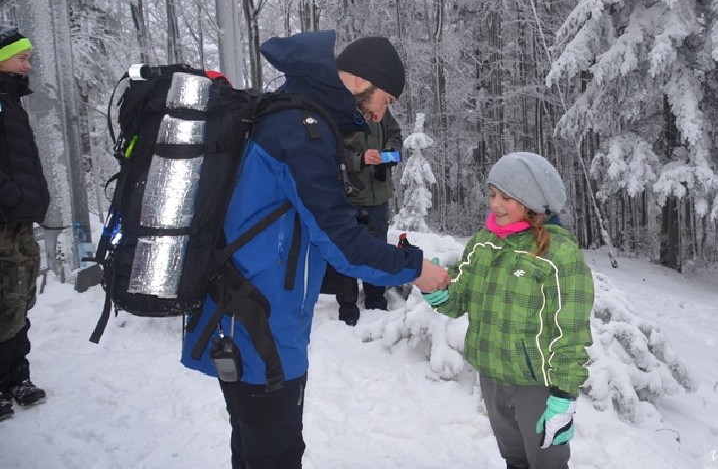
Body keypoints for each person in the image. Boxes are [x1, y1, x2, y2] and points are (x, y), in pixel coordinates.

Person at [180, 31, 449, 467]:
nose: (382, 112)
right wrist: (416, 268)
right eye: (385, 98)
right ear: (360, 79)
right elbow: (345, 246)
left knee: (254, 450)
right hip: (260, 323)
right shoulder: (301, 132)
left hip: (245, 312)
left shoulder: (291, 114)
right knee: (276, 454)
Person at [422, 152, 594, 469]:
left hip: (537, 384)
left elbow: (570, 331)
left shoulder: (559, 254)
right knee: (514, 458)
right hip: (492, 377)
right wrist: (433, 286)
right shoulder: (483, 243)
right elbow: (458, 299)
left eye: (506, 197)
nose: (495, 204)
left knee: (546, 462)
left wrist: (564, 395)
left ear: (532, 203)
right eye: (492, 194)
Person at [0, 27, 50, 421]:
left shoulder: (10, 101)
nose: (27, 65)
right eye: (21, 58)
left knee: (20, 298)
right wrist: (13, 195)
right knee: (4, 300)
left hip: (18, 219)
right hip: (4, 217)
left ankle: (18, 376)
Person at [333, 66, 403, 324]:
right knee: (348, 251)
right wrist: (361, 159)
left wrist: (389, 153)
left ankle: (376, 300)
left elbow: (396, 135)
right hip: (351, 197)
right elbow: (331, 154)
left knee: (378, 248)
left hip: (379, 196)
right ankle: (347, 306)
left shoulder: (382, 110)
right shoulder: (341, 111)